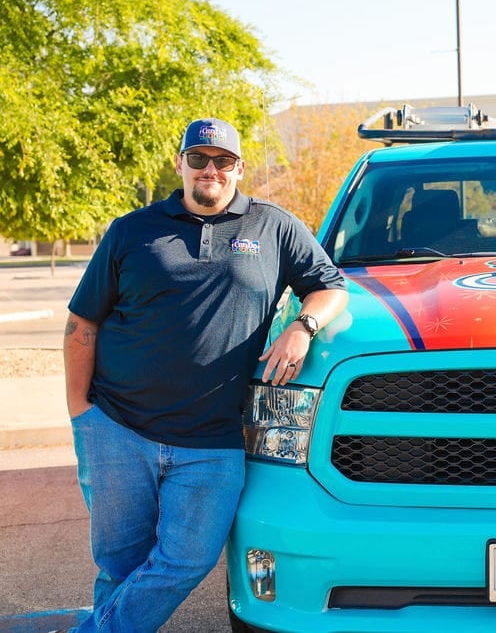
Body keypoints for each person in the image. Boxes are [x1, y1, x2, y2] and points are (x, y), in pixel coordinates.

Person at [62, 118, 348, 633]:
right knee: (121, 568)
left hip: (213, 440)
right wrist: (81, 412)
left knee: (188, 560)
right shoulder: (132, 231)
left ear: (239, 167)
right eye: (199, 159)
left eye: (222, 161)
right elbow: (83, 322)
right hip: (118, 428)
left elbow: (330, 286)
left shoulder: (273, 227)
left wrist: (304, 326)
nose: (209, 170)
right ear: (181, 164)